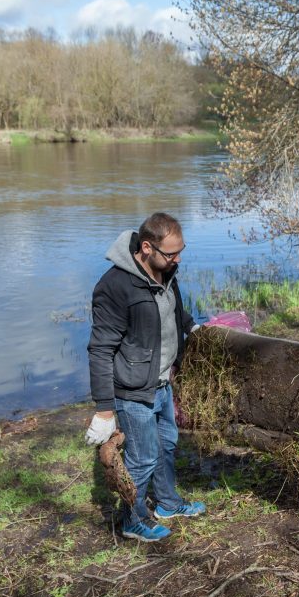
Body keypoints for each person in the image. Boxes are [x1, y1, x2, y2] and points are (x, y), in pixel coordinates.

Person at [85, 212, 205, 542]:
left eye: (181, 251)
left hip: (163, 382)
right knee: (142, 458)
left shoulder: (166, 272)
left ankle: (167, 503)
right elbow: (100, 349)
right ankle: (132, 520)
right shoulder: (114, 286)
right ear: (147, 247)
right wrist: (105, 410)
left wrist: (192, 327)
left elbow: (174, 310)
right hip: (133, 390)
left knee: (167, 445)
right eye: (171, 253)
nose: (178, 259)